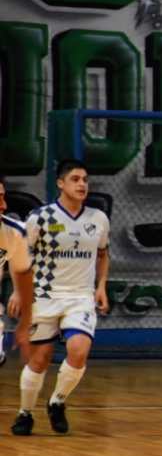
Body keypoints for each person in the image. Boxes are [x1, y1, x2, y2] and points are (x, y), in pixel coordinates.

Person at [8, 160, 110, 436]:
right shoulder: (40, 218)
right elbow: (20, 256)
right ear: (60, 184)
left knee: (79, 349)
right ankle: (25, 412)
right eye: (75, 179)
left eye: (85, 180)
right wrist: (19, 291)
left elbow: (103, 254)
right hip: (44, 296)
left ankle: (57, 401)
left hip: (80, 298)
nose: (82, 185)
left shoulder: (98, 219)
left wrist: (101, 285)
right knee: (39, 359)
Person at [0, 176, 34, 366]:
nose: (4, 205)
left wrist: (18, 292)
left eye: (3, 197)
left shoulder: (14, 232)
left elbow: (23, 273)